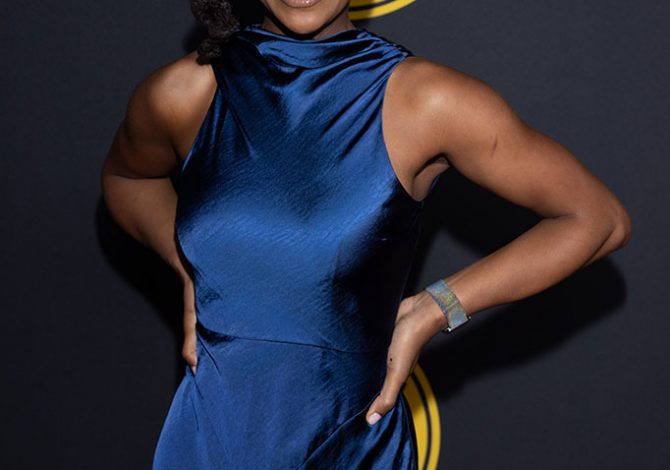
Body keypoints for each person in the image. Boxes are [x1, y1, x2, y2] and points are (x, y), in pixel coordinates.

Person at [100, 0, 632, 468]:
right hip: (208, 443)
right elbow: (127, 179)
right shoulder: (186, 92)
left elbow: (595, 218)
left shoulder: (426, 101)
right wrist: (188, 264)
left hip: (348, 446)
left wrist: (436, 307)